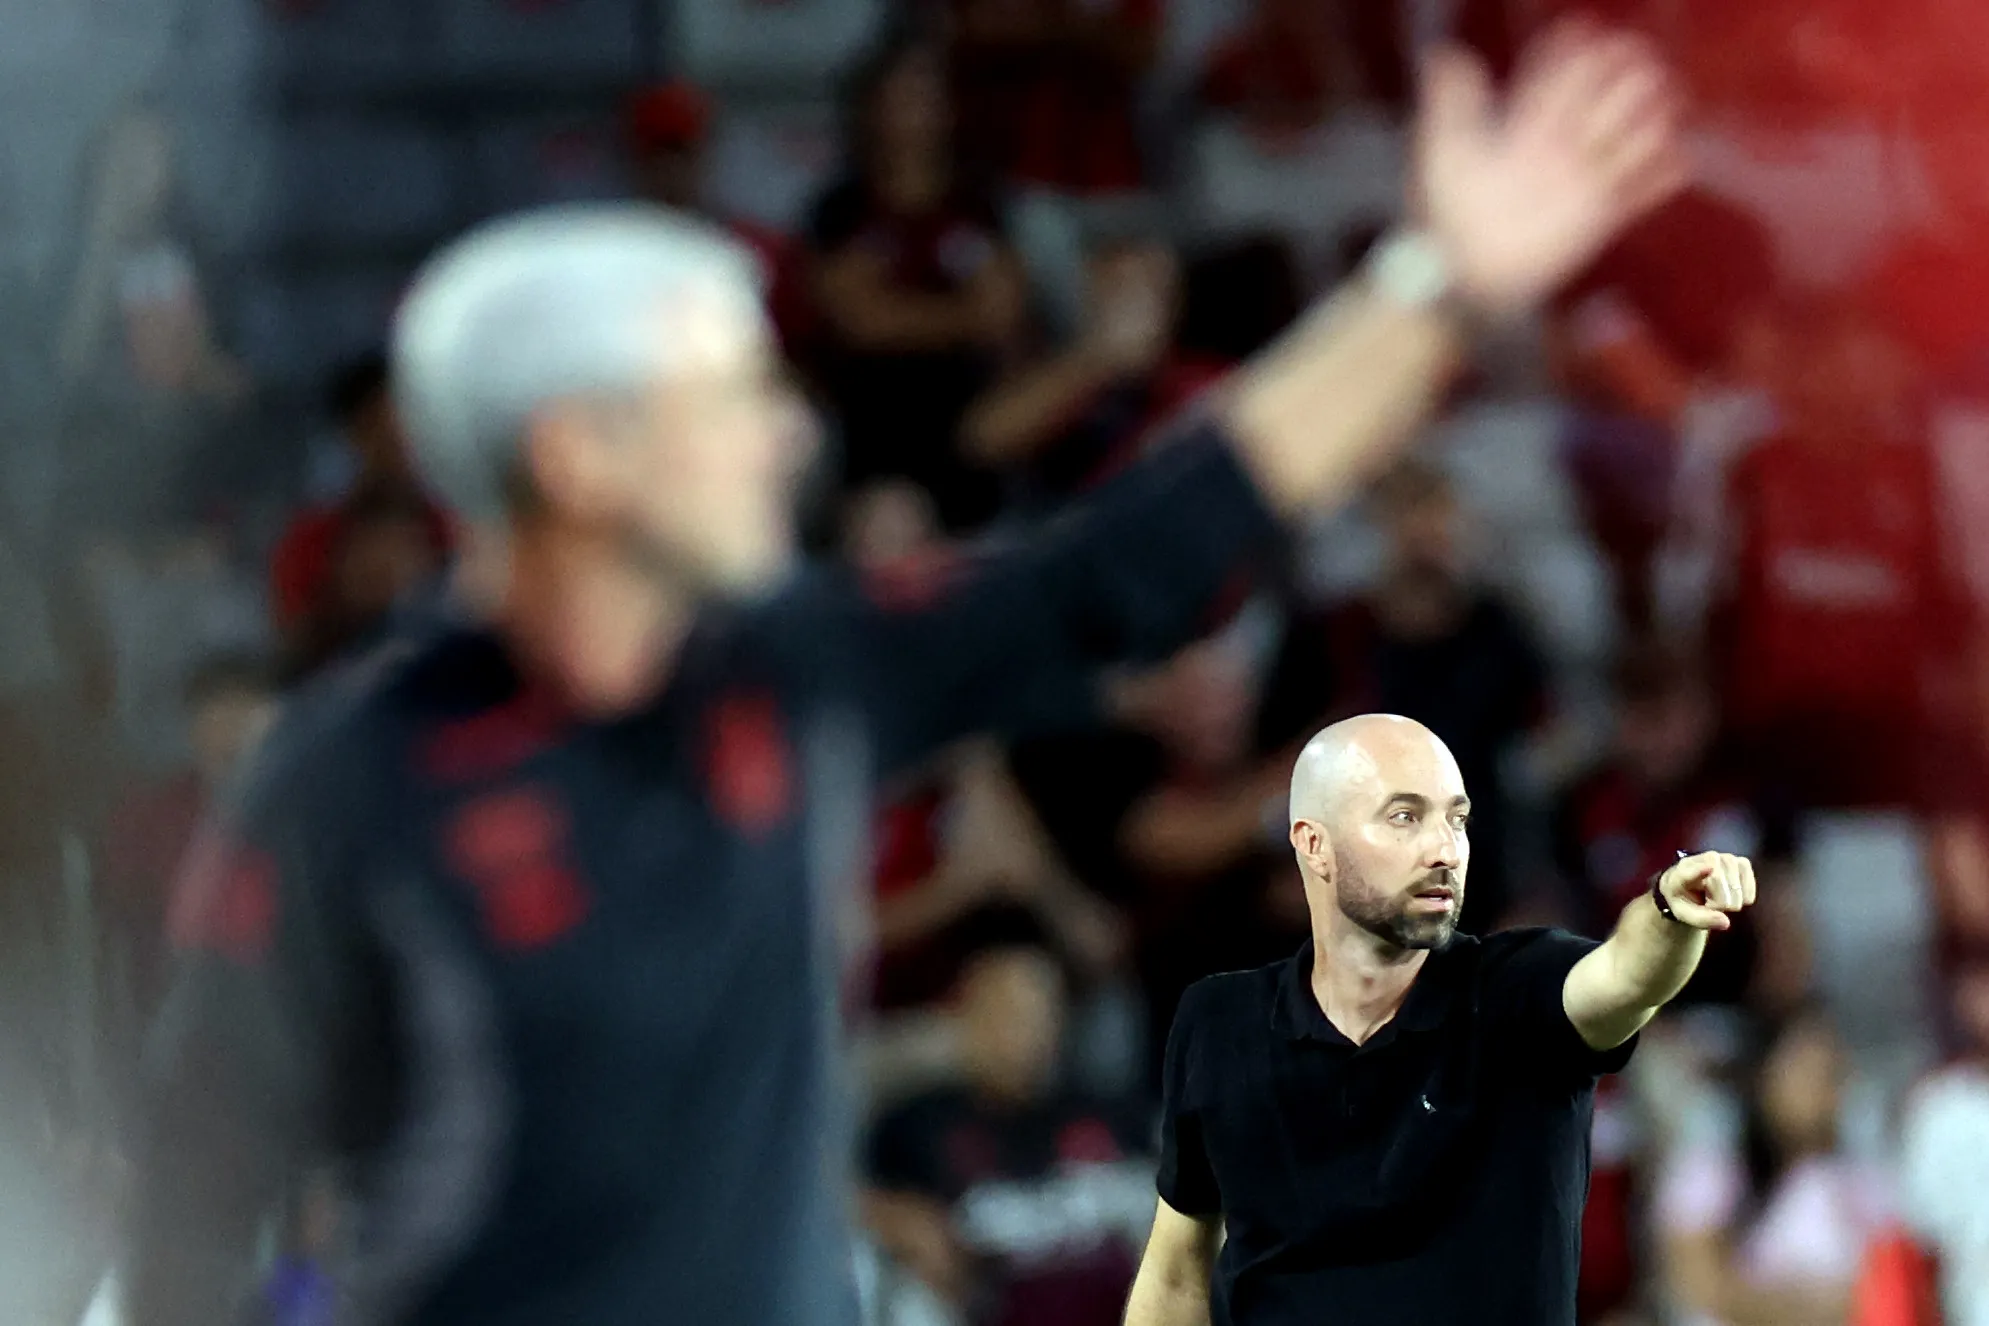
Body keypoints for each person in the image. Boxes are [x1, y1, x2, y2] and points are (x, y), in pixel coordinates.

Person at [126, 21, 1687, 1326]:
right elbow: (189, 1212)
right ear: (578, 455)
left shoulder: (791, 678)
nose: (788, 429)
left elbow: (1128, 563)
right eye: (730, 393)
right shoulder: (349, 786)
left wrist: (1433, 287)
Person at [1122, 714, 1757, 1325]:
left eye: (1457, 820)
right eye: (1405, 817)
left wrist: (1669, 912)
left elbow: (1625, 975)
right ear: (1315, 845)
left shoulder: (1517, 991)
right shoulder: (1218, 1021)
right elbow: (1177, 1272)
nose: (1445, 849)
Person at [864, 944, 1153, 1326]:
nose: (1024, 1034)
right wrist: (896, 1221)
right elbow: (844, 1199)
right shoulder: (917, 1124)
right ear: (965, 1019)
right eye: (1005, 1015)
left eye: (1039, 1015)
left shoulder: (1106, 1114)